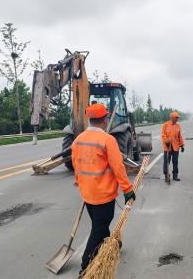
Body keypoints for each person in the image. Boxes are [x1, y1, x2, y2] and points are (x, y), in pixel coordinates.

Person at [71, 103, 136, 274]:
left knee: (100, 225)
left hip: (87, 194)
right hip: (103, 195)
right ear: (105, 119)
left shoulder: (78, 140)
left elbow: (76, 165)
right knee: (99, 228)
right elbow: (118, 168)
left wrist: (80, 182)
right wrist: (128, 189)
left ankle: (111, 244)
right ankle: (86, 265)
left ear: (90, 119)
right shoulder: (108, 140)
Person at [162, 111, 184, 182]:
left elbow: (179, 136)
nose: (177, 119)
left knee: (175, 162)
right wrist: (167, 141)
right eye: (176, 117)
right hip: (167, 147)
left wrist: (182, 145)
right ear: (172, 118)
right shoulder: (165, 125)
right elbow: (163, 136)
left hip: (175, 147)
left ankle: (175, 175)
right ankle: (166, 175)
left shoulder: (178, 126)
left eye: (177, 118)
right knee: (166, 162)